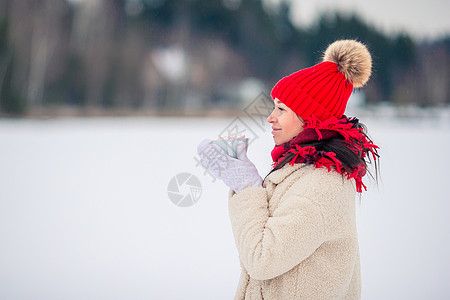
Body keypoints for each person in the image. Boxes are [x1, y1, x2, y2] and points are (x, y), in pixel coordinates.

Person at [197, 39, 379, 300]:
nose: (271, 117)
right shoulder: (302, 171)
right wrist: (248, 181)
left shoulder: (322, 185)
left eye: (281, 109)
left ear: (310, 117)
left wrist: (247, 185)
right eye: (274, 107)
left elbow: (262, 258)